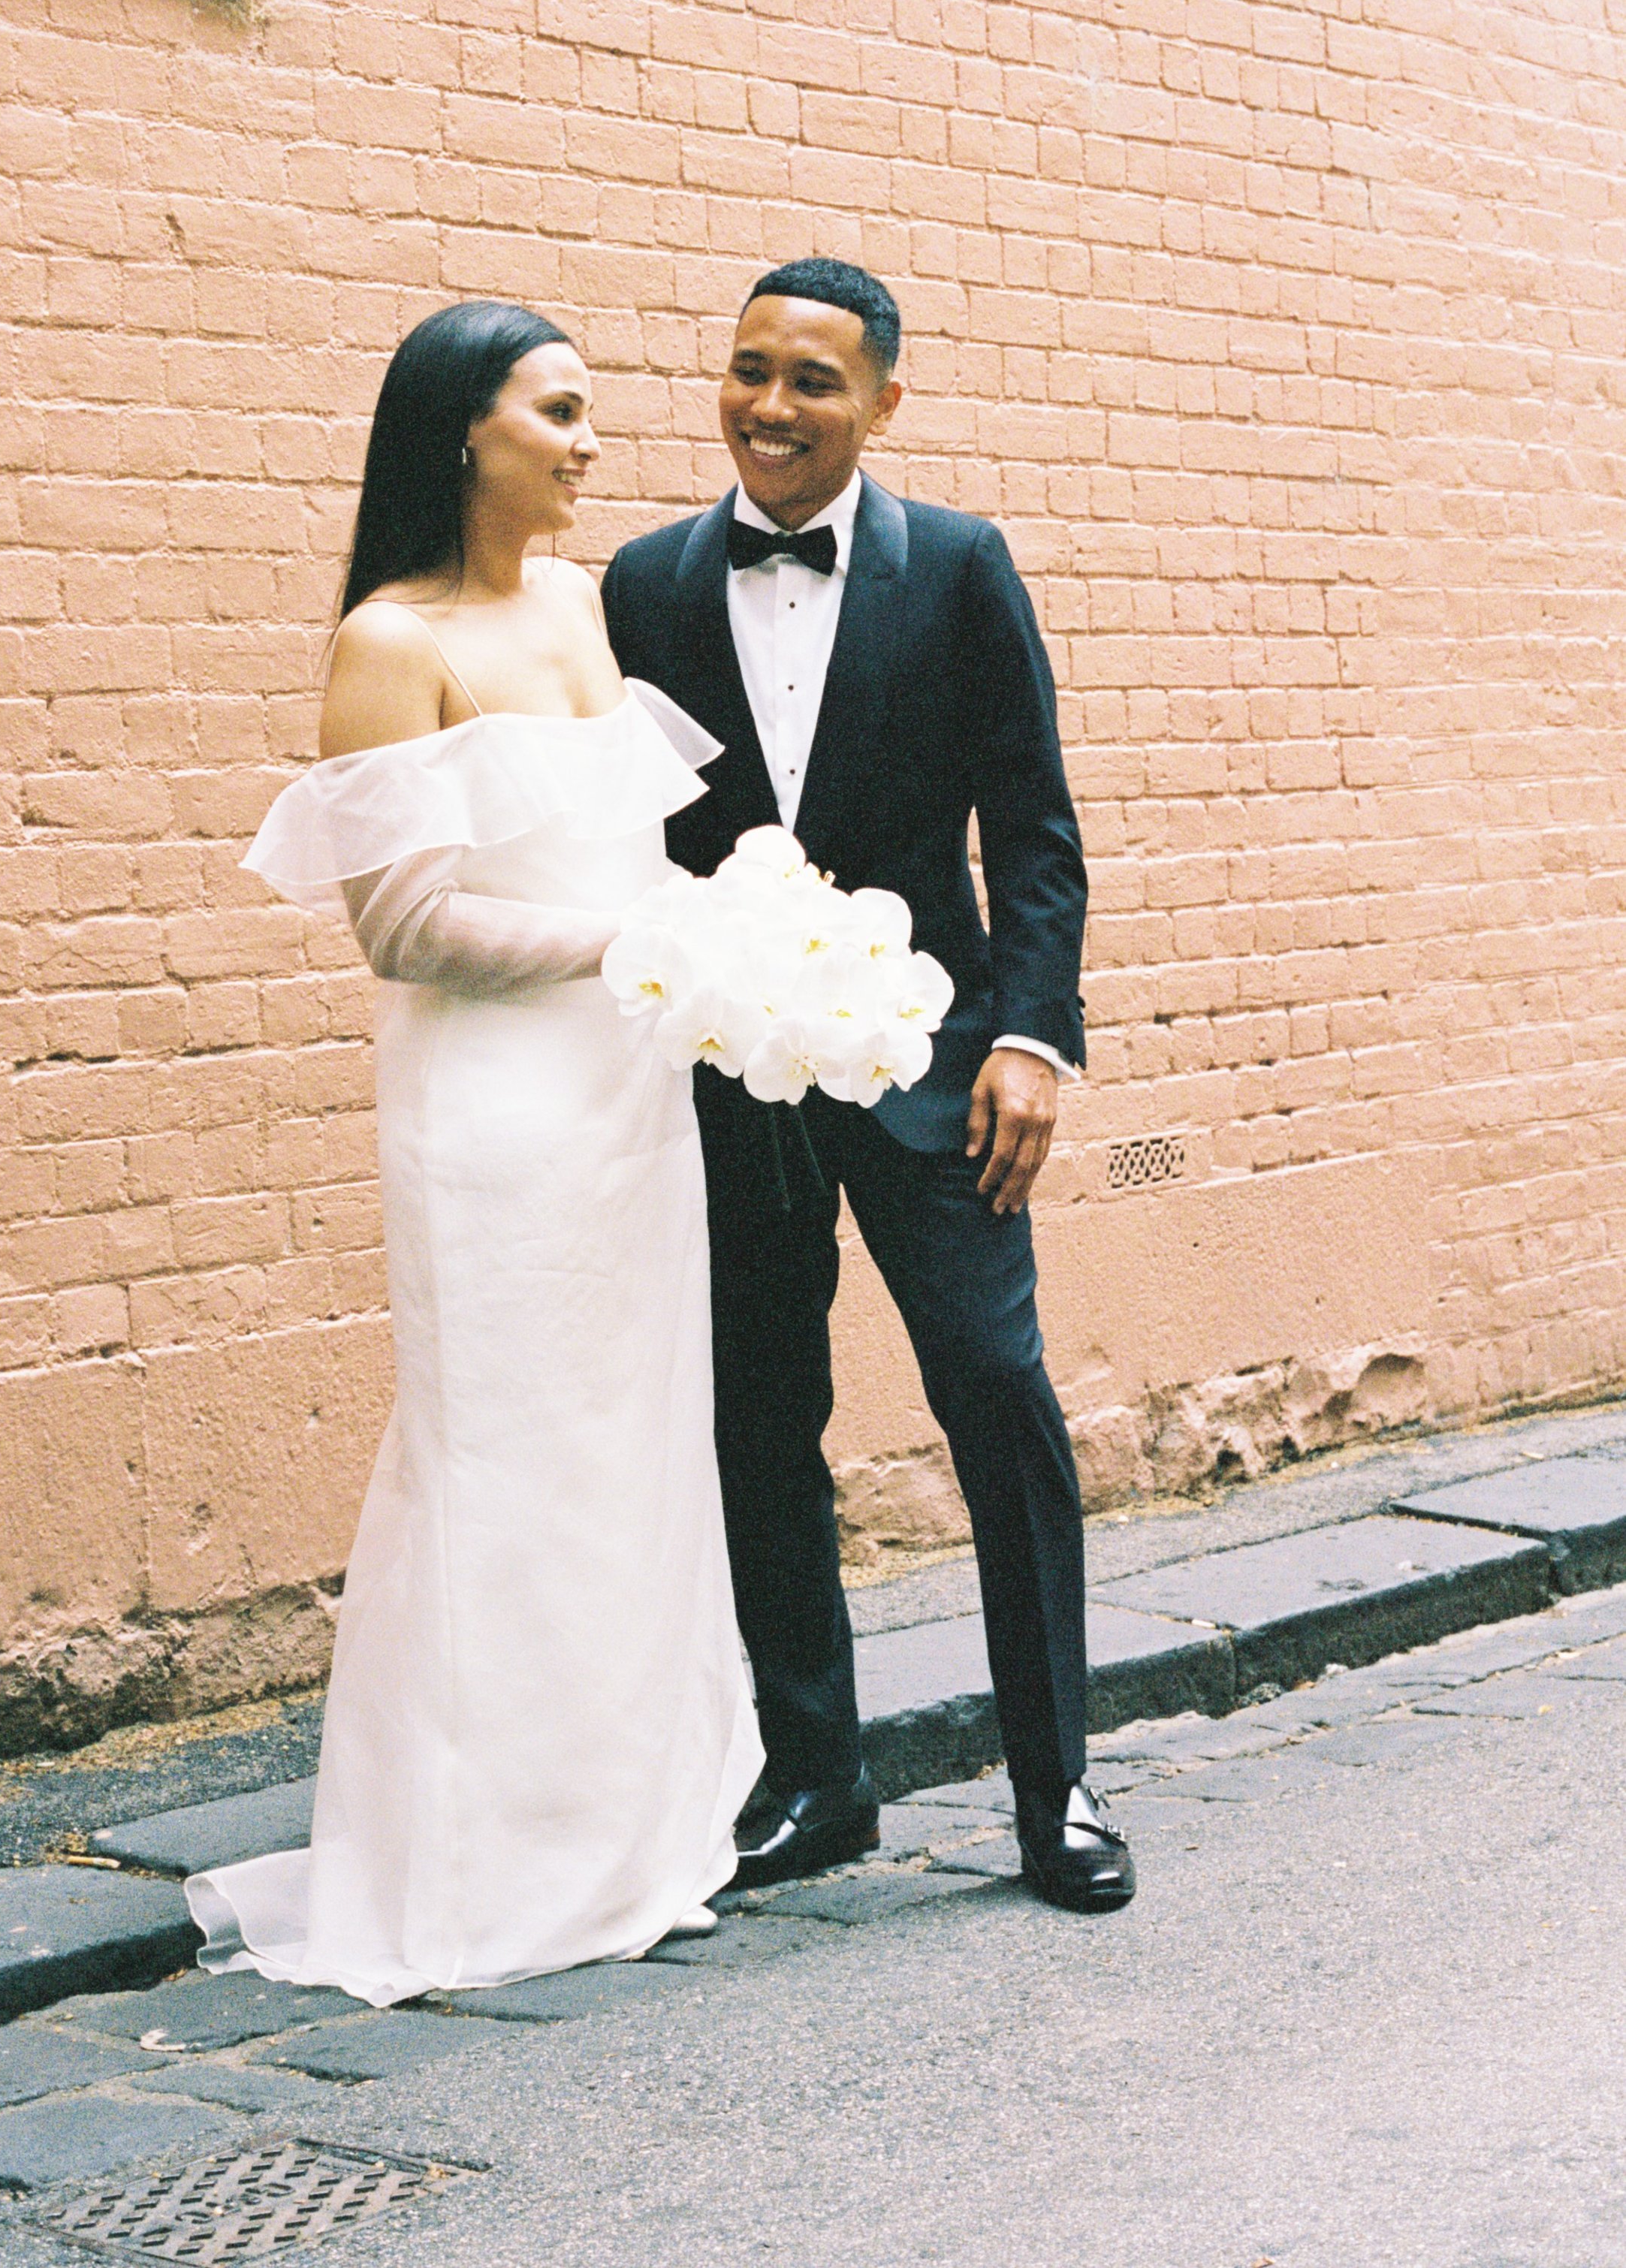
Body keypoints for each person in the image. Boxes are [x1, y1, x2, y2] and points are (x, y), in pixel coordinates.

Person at [186, 300, 763, 2004]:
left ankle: (628, 1842)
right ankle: (476, 1872)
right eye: (559, 411)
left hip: (627, 1104)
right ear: (462, 429)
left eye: (589, 415)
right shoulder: (388, 636)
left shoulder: (587, 605)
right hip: (494, 1121)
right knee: (504, 1463)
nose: (591, 444)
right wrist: (629, 948)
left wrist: (731, 943)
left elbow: (631, 854)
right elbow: (406, 923)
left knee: (634, 1461)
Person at [602, 259, 1135, 1914]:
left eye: (810, 380)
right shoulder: (643, 585)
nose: (768, 405)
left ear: (881, 402)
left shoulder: (960, 567)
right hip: (733, 1084)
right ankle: (816, 1780)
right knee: (761, 1419)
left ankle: (1056, 1787)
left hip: (936, 1075)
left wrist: (1032, 1037)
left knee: (994, 1390)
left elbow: (1028, 827)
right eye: (746, 369)